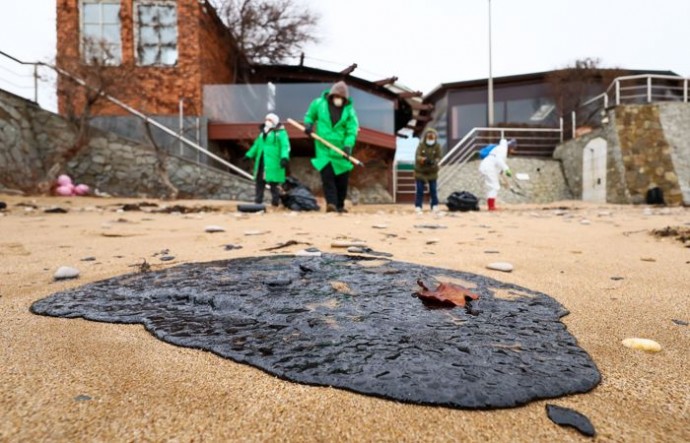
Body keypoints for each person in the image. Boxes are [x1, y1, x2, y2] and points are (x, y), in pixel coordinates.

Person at [303, 81, 359, 213]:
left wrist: (348, 145)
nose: (338, 100)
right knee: (327, 177)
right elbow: (310, 115)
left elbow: (352, 130)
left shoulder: (349, 111)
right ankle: (331, 204)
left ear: (344, 99)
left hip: (341, 150)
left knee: (342, 181)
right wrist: (309, 125)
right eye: (336, 96)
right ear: (331, 96)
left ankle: (340, 205)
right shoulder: (319, 104)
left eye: (341, 98)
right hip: (324, 148)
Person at [245, 112, 291, 207]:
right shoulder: (263, 133)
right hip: (262, 161)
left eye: (269, 120)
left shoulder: (281, 133)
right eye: (266, 119)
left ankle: (275, 202)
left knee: (274, 183)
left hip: (274, 162)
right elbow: (257, 145)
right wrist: (249, 155)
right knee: (259, 182)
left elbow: (284, 146)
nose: (267, 122)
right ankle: (258, 201)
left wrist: (284, 157)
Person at [478, 138, 516, 211]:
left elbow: (497, 163)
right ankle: (491, 207)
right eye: (512, 148)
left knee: (492, 186)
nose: (512, 151)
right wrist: (506, 169)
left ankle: (491, 205)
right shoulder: (502, 149)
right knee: (494, 187)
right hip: (488, 168)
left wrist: (502, 173)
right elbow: (499, 160)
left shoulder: (500, 149)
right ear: (510, 146)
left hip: (487, 167)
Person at [414, 128, 442, 213]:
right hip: (420, 171)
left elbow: (439, 156)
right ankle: (418, 206)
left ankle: (434, 205)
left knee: (433, 189)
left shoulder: (437, 146)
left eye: (432, 138)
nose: (430, 139)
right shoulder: (421, 145)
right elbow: (417, 156)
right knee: (419, 190)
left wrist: (434, 161)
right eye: (429, 137)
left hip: (432, 171)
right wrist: (423, 160)